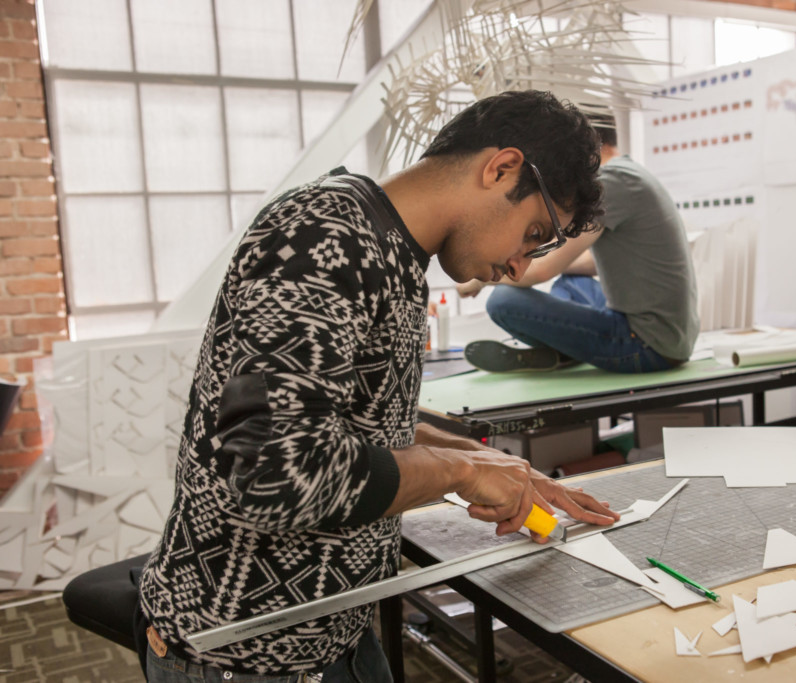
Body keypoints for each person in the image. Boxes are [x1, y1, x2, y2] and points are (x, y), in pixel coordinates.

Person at [137, 90, 620, 682]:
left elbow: (354, 419)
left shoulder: (390, 251)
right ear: (501, 169)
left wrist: (490, 460)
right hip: (246, 651)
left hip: (329, 629)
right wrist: (461, 473)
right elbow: (277, 472)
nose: (522, 268)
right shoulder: (324, 234)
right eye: (534, 233)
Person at [458, 110, 700, 374]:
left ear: (589, 142)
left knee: (502, 300)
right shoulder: (630, 173)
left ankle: (563, 350)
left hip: (647, 346)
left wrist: (483, 277)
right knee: (570, 284)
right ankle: (565, 350)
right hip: (670, 338)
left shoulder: (611, 183)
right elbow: (592, 265)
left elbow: (540, 271)